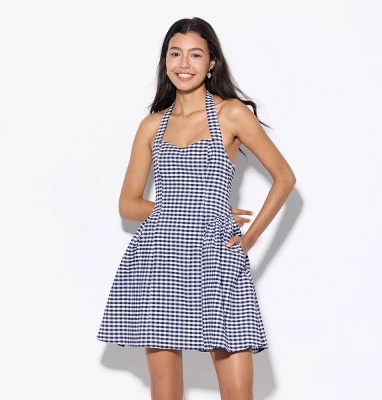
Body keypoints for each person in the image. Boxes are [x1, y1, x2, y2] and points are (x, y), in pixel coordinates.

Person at [97, 16, 296, 400]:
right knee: (165, 389)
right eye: (175, 54)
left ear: (211, 62)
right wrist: (187, 208)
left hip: (216, 254)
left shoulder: (231, 113)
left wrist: (249, 239)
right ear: (165, 61)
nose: (184, 64)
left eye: (195, 54)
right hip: (160, 256)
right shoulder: (152, 125)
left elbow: (284, 178)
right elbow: (128, 204)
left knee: (238, 392)